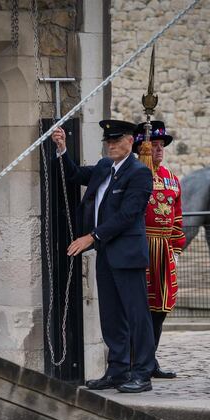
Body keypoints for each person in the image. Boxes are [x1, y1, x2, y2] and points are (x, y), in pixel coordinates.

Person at [52, 120, 156, 393]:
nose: (110, 144)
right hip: (107, 253)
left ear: (130, 141)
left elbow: (127, 215)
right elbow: (74, 175)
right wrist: (62, 149)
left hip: (128, 254)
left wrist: (92, 237)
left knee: (136, 314)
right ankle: (118, 370)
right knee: (110, 315)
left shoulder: (140, 173)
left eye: (116, 140)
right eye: (107, 140)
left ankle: (143, 373)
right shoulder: (103, 167)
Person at [132, 121, 186, 379]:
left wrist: (176, 247)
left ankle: (150, 360)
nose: (159, 150)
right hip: (142, 245)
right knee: (139, 306)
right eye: (153, 145)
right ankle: (135, 360)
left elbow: (177, 216)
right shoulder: (136, 174)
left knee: (160, 308)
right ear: (142, 148)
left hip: (163, 250)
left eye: (161, 145)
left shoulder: (171, 179)